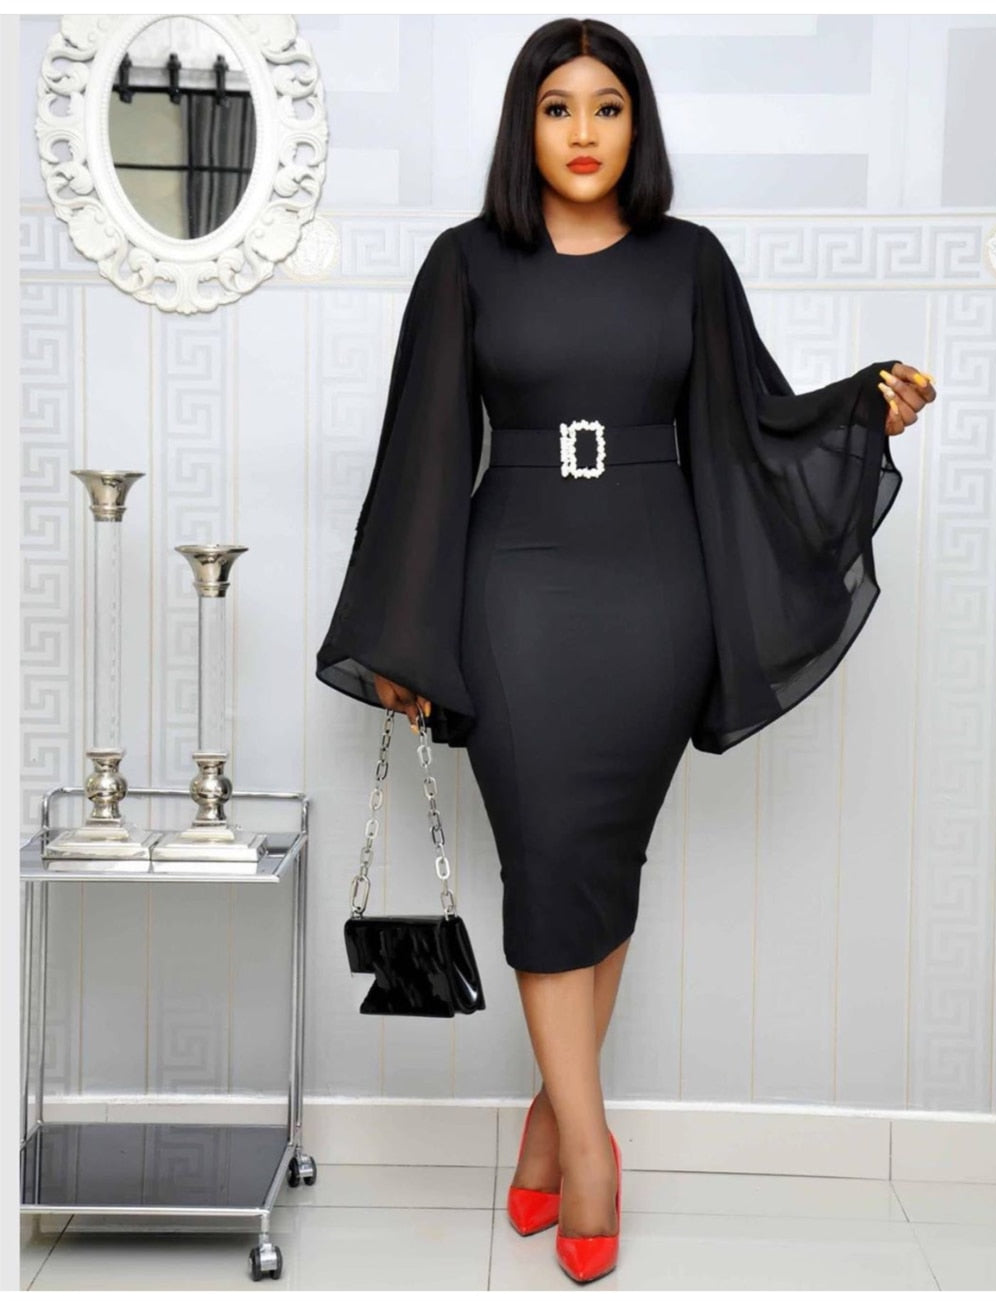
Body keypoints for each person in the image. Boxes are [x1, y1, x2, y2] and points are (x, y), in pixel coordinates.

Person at [315, 17, 936, 1284]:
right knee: (549, 860)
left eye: (608, 106)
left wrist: (863, 407)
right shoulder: (465, 262)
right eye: (558, 108)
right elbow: (421, 454)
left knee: (603, 859)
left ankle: (550, 1125)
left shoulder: (689, 261)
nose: (584, 131)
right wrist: (400, 633)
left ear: (637, 125)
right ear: (524, 125)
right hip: (515, 594)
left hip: (659, 598)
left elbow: (757, 423)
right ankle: (593, 1147)